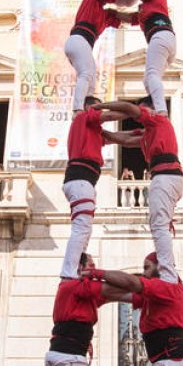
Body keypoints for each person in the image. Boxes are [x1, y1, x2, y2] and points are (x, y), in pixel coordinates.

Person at [83, 251, 183, 366]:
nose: (143, 274)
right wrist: (93, 294)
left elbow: (132, 283)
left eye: (146, 268)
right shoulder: (156, 296)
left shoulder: (165, 287)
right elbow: (118, 295)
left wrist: (95, 273)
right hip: (174, 360)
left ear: (160, 268)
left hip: (171, 362)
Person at [97, 100, 183, 282]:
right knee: (159, 225)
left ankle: (168, 274)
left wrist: (98, 109)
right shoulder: (150, 133)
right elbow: (127, 139)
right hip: (169, 176)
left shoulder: (158, 120)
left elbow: (129, 109)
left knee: (159, 226)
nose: (139, 116)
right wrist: (103, 134)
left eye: (143, 110)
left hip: (165, 175)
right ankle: (168, 270)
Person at [47, 252, 126, 366]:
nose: (94, 270)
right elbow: (114, 289)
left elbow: (113, 295)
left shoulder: (84, 295)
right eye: (91, 266)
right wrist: (140, 288)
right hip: (68, 356)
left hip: (72, 355)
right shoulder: (74, 286)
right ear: (79, 269)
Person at [60, 96, 124, 279]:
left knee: (85, 228)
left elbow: (120, 138)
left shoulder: (93, 130)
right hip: (80, 179)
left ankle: (77, 267)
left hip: (82, 181)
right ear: (88, 107)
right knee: (81, 228)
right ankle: (69, 272)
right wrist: (134, 111)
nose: (100, 112)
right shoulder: (83, 118)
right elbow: (112, 116)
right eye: (97, 108)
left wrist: (143, 133)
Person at [65, 0, 127, 113]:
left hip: (81, 43)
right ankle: (77, 109)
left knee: (90, 78)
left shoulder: (104, 12)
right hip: (79, 40)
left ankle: (87, 105)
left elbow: (123, 17)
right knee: (86, 73)